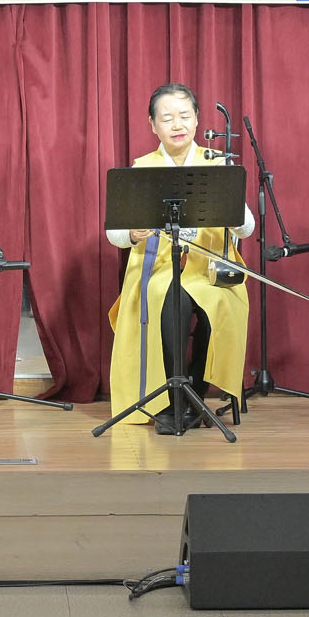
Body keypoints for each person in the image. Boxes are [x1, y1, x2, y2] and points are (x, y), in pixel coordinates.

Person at [106, 83, 254, 435]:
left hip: (209, 270)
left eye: (185, 116)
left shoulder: (216, 162)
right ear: (152, 125)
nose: (177, 125)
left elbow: (246, 228)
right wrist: (132, 233)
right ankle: (173, 399)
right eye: (167, 117)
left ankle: (195, 395)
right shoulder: (143, 168)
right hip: (157, 270)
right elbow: (114, 233)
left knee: (214, 302)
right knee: (172, 297)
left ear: (197, 120)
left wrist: (230, 209)